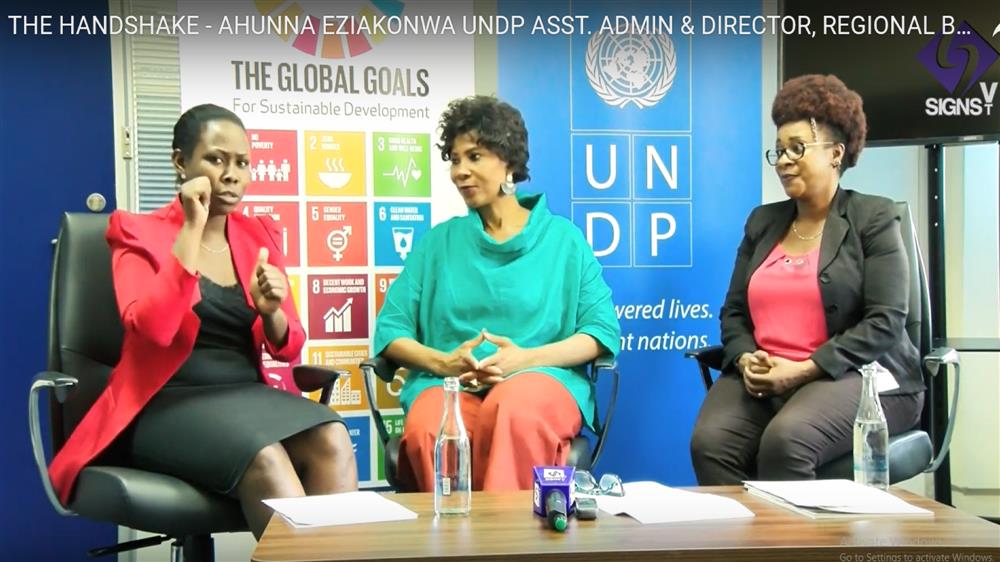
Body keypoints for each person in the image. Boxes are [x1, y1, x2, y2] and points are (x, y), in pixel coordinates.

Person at [48, 104, 357, 538]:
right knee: (264, 456)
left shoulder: (258, 235)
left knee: (332, 437)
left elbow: (288, 347)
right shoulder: (135, 231)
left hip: (246, 397)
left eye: (242, 163)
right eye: (216, 159)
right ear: (181, 163)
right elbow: (153, 328)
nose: (232, 174)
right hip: (164, 403)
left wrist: (272, 314)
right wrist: (191, 227)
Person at [373, 95, 620, 492]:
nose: (460, 171)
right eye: (454, 159)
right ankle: (446, 550)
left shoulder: (564, 241)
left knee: (513, 409)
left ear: (507, 161)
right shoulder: (438, 243)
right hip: (452, 385)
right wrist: (443, 363)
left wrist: (524, 360)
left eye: (475, 156)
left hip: (542, 379)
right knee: (427, 427)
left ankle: (509, 548)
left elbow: (600, 331)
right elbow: (391, 330)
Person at [689, 74, 926, 484]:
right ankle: (743, 548)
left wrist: (802, 370)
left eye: (797, 148)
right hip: (766, 374)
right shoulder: (763, 222)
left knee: (788, 440)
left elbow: (885, 321)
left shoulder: (875, 218)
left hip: (858, 374)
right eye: (778, 150)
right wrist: (747, 358)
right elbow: (733, 312)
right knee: (710, 442)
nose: (783, 160)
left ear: (836, 153)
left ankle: (799, 548)